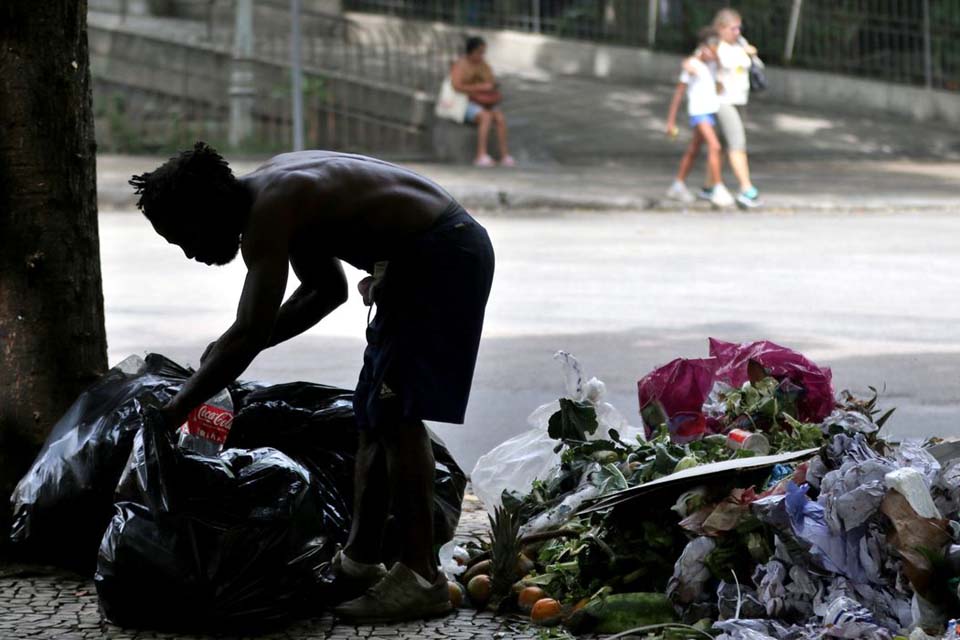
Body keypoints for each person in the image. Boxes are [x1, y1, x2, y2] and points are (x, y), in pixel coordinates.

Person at [129, 142, 495, 623]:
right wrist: (227, 352)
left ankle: (421, 576)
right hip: (421, 258)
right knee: (373, 415)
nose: (190, 253)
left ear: (206, 210)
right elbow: (325, 292)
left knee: (397, 415)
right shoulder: (277, 193)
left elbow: (252, 328)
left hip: (442, 256)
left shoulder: (272, 208)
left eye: (184, 236)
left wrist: (177, 407)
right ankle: (360, 562)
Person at [664, 28, 735, 209]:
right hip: (698, 112)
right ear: (703, 47)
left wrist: (717, 63)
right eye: (712, 47)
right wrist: (670, 121)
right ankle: (718, 188)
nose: (715, 51)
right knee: (715, 146)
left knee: (694, 149)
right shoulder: (692, 65)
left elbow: (720, 86)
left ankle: (677, 184)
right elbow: (679, 94)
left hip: (709, 111)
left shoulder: (712, 65)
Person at [712, 8, 761, 208]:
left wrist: (748, 51)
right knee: (737, 142)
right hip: (723, 101)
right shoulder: (716, 47)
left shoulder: (739, 44)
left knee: (722, 146)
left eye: (739, 28)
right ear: (721, 28)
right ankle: (746, 188)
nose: (737, 32)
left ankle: (709, 185)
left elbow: (756, 67)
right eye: (733, 28)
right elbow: (718, 66)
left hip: (740, 99)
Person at [449, 36, 515, 167]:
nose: (481, 55)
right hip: (465, 103)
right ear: (471, 51)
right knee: (486, 117)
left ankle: (504, 155)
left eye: (483, 52)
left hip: (484, 102)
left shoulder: (484, 65)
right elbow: (456, 86)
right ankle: (481, 154)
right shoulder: (460, 65)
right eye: (479, 52)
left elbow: (491, 81)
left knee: (499, 118)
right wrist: (479, 87)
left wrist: (489, 87)